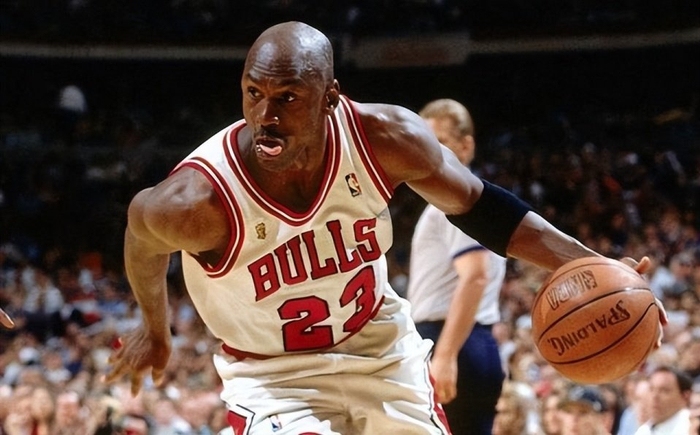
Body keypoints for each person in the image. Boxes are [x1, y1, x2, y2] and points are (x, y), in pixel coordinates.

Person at [103, 21, 662, 434]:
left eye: (288, 98)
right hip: (274, 373)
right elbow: (140, 241)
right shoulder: (194, 201)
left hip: (380, 348)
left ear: (330, 98)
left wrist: (591, 264)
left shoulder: (386, 139)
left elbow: (484, 208)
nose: (266, 116)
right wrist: (155, 327)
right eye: (254, 93)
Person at [406, 98, 506, 434]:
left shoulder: (455, 197)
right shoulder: (481, 197)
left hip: (451, 340)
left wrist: (446, 354)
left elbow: (475, 276)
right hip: (472, 339)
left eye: (441, 142)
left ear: (466, 146)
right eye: (423, 143)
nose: (429, 152)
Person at [635, 365, 692, 435]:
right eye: (651, 389)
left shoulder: (692, 428)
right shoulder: (643, 430)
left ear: (685, 397)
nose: (655, 396)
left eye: (664, 390)